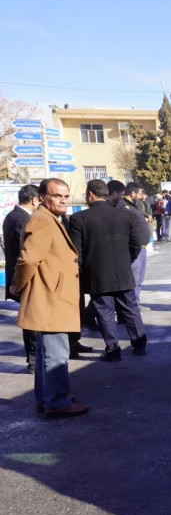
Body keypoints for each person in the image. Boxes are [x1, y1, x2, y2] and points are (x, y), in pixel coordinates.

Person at [11, 178, 89, 417]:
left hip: (51, 294)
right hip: (50, 296)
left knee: (48, 350)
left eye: (66, 196)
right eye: (57, 196)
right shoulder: (43, 220)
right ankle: (57, 401)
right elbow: (29, 259)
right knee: (56, 352)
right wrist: (17, 285)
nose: (63, 200)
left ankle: (48, 396)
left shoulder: (49, 218)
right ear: (43, 197)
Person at [69, 179, 147, 361]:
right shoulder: (125, 215)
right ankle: (140, 344)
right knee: (130, 309)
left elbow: (76, 251)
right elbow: (136, 243)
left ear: (90, 194)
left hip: (97, 275)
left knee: (105, 313)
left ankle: (113, 350)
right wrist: (126, 260)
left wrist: (82, 270)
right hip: (123, 272)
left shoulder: (79, 218)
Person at [3, 184, 40, 372]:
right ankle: (33, 358)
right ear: (34, 199)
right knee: (32, 320)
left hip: (20, 276)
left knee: (31, 318)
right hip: (25, 278)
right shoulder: (21, 219)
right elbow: (27, 253)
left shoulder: (13, 215)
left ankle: (34, 357)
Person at [121, 182, 152, 309]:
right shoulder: (123, 206)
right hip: (135, 249)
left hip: (142, 247)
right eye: (139, 193)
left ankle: (135, 303)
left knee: (139, 279)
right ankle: (131, 306)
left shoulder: (133, 206)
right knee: (133, 280)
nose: (140, 196)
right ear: (132, 193)